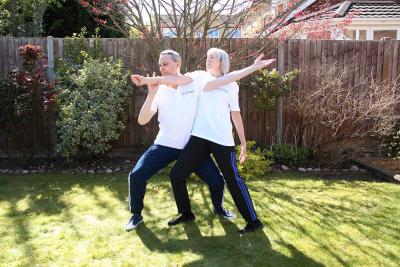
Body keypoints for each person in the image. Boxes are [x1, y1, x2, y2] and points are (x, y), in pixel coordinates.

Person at [133, 48, 275, 233]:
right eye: (207, 57)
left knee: (232, 180)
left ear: (221, 60)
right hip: (199, 138)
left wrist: (243, 142)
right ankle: (186, 213)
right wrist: (148, 81)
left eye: (212, 57)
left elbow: (236, 114)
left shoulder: (231, 85)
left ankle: (253, 221)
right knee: (177, 174)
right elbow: (175, 80)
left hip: (222, 140)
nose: (208, 60)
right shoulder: (200, 77)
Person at [125, 50, 234, 232]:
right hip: (165, 144)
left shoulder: (194, 82)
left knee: (217, 181)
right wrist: (151, 93)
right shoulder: (159, 89)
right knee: (136, 175)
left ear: (178, 64)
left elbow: (218, 84)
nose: (162, 68)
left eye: (165, 64)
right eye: (160, 65)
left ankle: (219, 207)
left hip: (192, 147)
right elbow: (142, 120)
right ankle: (136, 215)